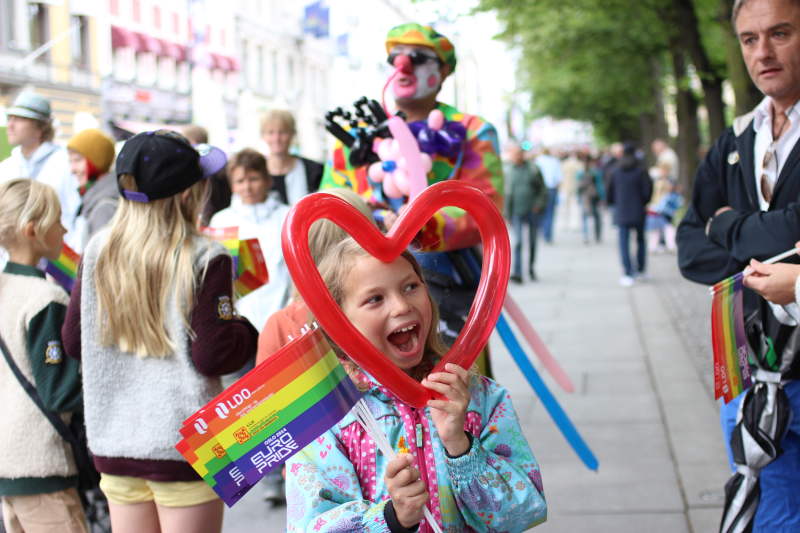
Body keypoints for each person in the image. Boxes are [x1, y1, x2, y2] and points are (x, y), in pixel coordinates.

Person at [60, 130, 258, 533]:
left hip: (115, 445)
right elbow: (213, 354)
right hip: (182, 446)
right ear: (189, 195)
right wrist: (243, 329)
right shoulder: (206, 255)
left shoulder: (98, 250)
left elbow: (73, 341)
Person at [285, 237, 547, 532]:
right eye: (375, 299)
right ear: (339, 322)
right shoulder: (328, 418)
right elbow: (311, 524)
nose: (401, 306)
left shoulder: (481, 398)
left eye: (411, 286)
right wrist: (391, 518)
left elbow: (523, 512)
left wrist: (461, 447)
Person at [676, 0, 800, 529]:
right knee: (769, 517)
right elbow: (687, 245)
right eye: (749, 39)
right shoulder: (737, 138)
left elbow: (781, 230)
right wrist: (772, 244)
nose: (763, 52)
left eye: (781, 33)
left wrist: (726, 225)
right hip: (753, 371)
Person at [321, 23, 504, 364]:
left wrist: (420, 227)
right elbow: (328, 206)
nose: (403, 66)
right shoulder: (354, 136)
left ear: (443, 71)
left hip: (446, 288)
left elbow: (485, 210)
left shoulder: (472, 131)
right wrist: (371, 225)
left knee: (453, 387)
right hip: (361, 293)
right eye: (396, 58)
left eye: (418, 58)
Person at [0, 179, 87, 533]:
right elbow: (60, 391)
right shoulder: (44, 298)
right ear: (33, 229)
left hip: (9, 464)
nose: (64, 229)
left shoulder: (5, 288)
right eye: (57, 220)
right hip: (42, 462)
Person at [209, 148, 292, 332]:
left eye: (253, 179)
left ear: (268, 180)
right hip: (242, 324)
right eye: (240, 181)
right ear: (232, 186)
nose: (247, 187)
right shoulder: (222, 221)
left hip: (284, 318)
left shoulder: (287, 216)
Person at [0, 92, 80, 239]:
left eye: (19, 119)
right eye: (9, 118)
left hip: (57, 256)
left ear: (40, 126)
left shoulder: (66, 163)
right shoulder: (6, 167)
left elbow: (75, 214)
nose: (10, 125)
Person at [607, 143, 653, 287]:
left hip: (622, 211)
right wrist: (642, 202)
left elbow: (610, 192)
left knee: (623, 243)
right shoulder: (641, 170)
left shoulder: (616, 170)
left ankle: (627, 272)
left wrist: (615, 204)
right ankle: (641, 269)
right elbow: (647, 191)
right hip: (639, 210)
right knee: (640, 240)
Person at [66, 128, 118, 251]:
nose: (72, 169)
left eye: (77, 160)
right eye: (70, 161)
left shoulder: (105, 207)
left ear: (97, 161)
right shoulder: (95, 198)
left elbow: (99, 260)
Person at [260, 110, 323, 205]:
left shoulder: (314, 170)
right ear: (263, 136)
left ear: (292, 134)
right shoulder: (256, 172)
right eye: (270, 132)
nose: (276, 138)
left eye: (283, 132)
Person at [505, 143, 547, 283]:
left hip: (532, 210)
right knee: (518, 242)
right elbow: (506, 194)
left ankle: (530, 268)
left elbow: (542, 190)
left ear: (523, 155)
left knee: (532, 241)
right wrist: (507, 214)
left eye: (518, 153)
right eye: (513, 153)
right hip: (516, 211)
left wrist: (538, 205)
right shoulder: (508, 170)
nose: (516, 156)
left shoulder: (533, 169)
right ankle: (517, 273)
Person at [182, 124, 232, 226]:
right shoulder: (220, 167)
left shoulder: (200, 172)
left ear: (193, 143)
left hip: (206, 224)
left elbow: (206, 204)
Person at [535, 147, 563, 244]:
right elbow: (559, 179)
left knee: (540, 212)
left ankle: (541, 231)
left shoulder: (538, 161)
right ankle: (548, 235)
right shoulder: (555, 161)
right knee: (550, 213)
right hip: (551, 188)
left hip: (541, 189)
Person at [576, 153, 605, 244]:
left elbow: (578, 187)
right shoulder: (596, 172)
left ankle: (586, 236)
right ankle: (597, 236)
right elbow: (600, 186)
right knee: (597, 216)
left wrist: (578, 197)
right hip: (594, 196)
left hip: (584, 197)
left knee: (584, 216)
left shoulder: (580, 173)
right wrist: (602, 197)